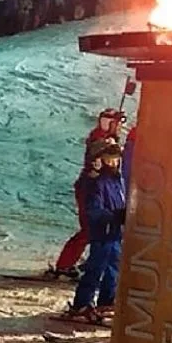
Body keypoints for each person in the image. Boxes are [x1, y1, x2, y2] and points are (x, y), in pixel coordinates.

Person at [51, 109, 124, 278]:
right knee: (89, 229)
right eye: (117, 123)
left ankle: (85, 262)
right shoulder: (99, 139)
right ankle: (64, 265)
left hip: (100, 187)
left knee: (97, 229)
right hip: (90, 188)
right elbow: (100, 155)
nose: (120, 126)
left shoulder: (105, 138)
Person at [66, 138, 126, 324]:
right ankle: (82, 304)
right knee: (95, 268)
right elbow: (93, 210)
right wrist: (114, 216)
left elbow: (121, 201)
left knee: (113, 267)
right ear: (99, 159)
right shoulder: (95, 182)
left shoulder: (117, 179)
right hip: (102, 232)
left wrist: (125, 214)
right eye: (109, 158)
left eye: (116, 158)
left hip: (115, 232)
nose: (114, 162)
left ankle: (107, 300)